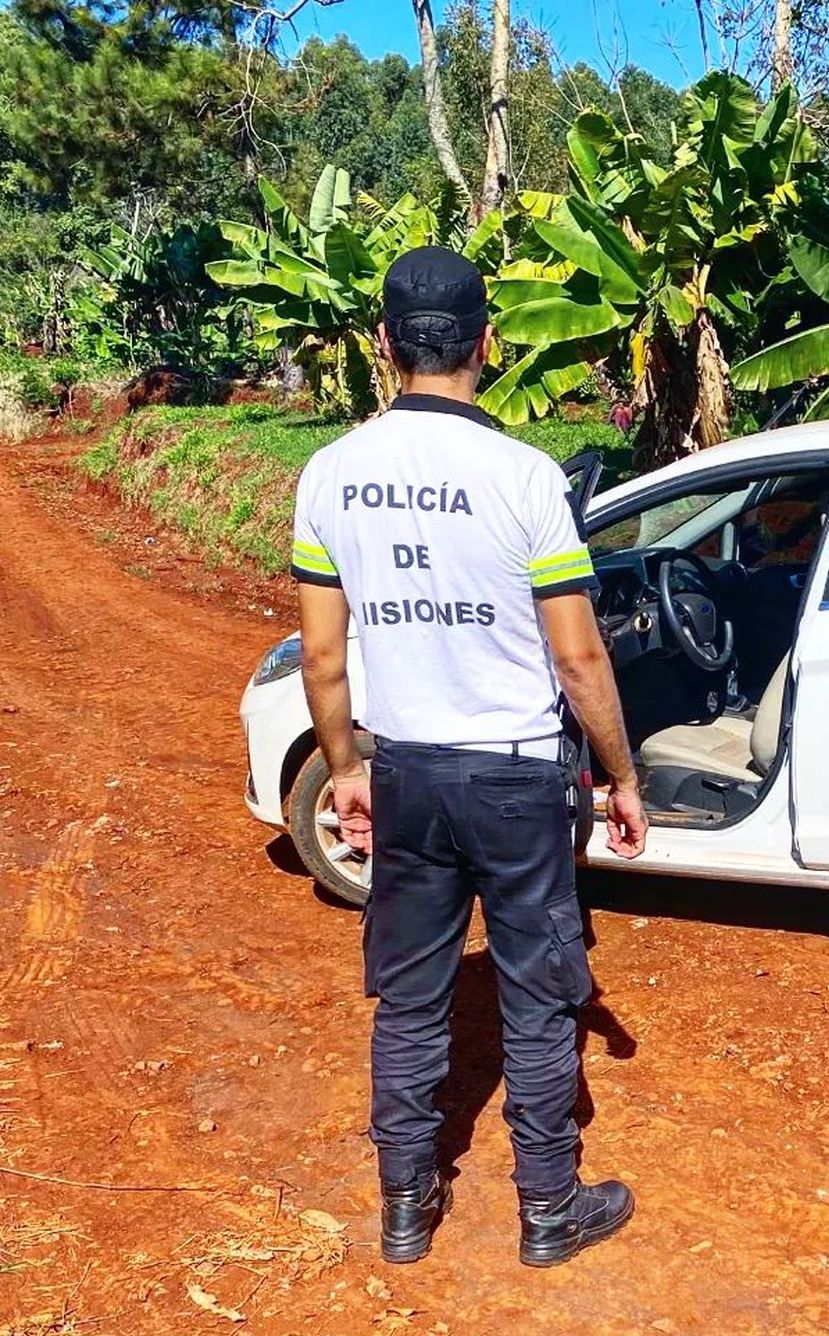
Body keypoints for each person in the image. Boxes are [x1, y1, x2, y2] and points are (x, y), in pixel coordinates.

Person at [292, 246, 647, 1267]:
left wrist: (346, 766)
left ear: (382, 345)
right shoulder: (527, 478)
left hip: (407, 769)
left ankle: (406, 1207)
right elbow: (578, 656)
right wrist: (621, 776)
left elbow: (324, 654)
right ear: (490, 343)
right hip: (518, 773)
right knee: (539, 999)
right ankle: (547, 1210)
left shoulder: (332, 474)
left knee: (409, 997)